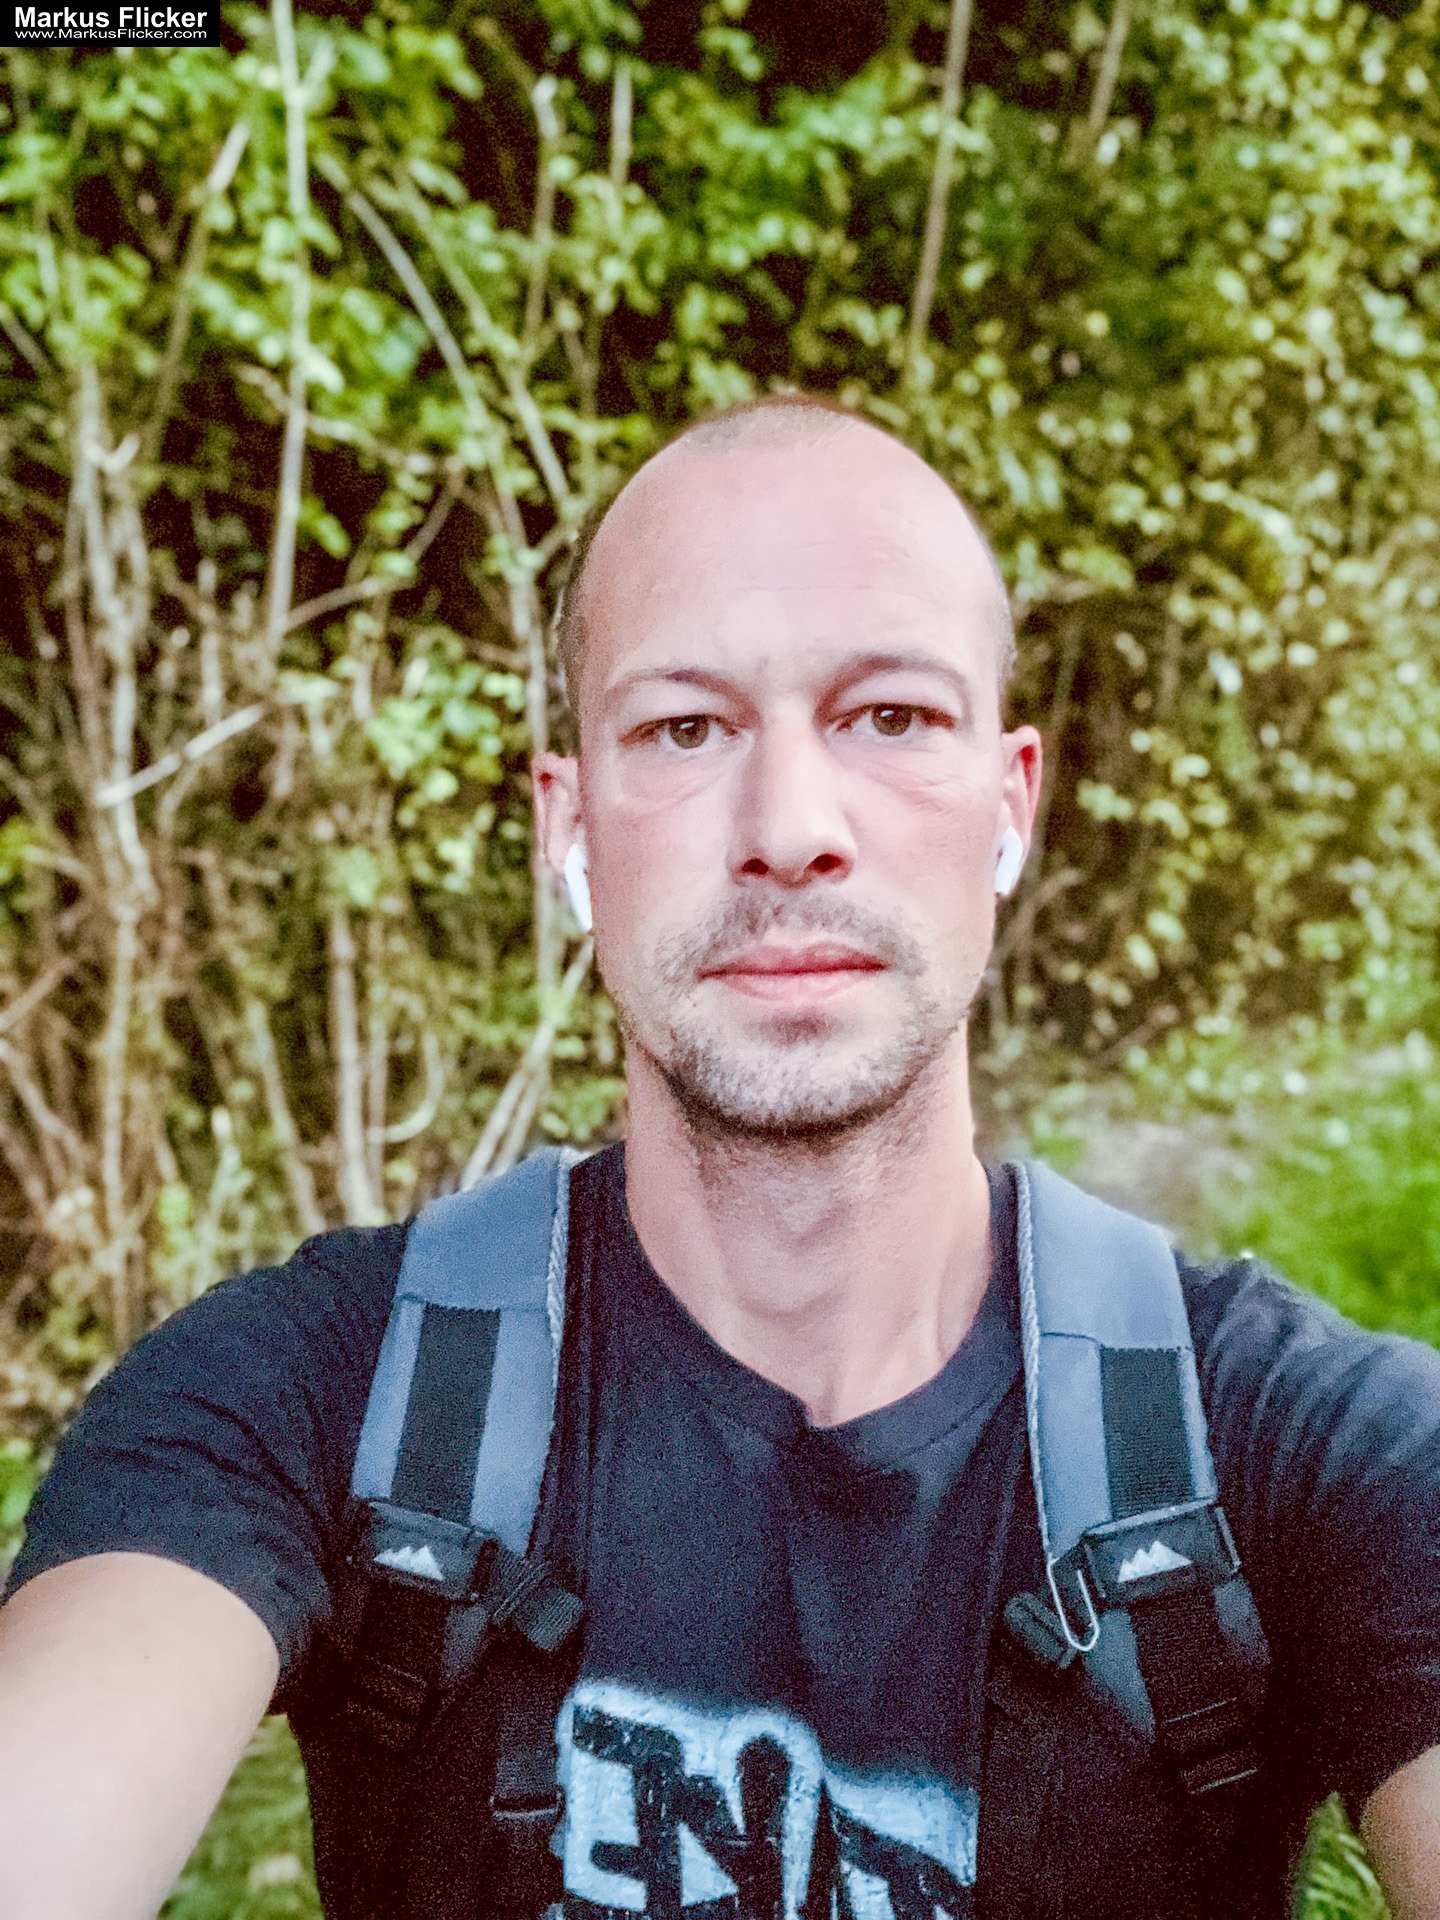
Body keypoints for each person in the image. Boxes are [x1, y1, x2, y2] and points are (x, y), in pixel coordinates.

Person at [1, 394, 1438, 1920]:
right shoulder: (301, 1395)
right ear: (569, 830)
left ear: (1010, 808)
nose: (791, 826)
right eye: (684, 728)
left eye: (892, 717)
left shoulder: (1315, 1452)